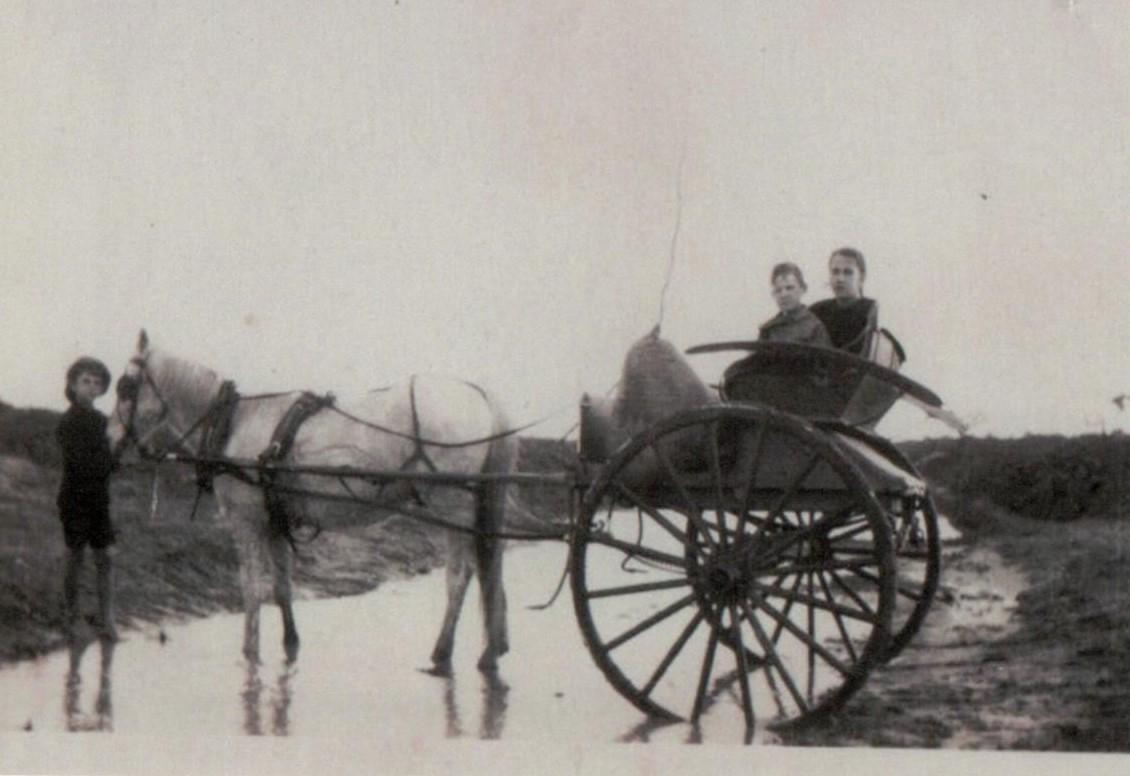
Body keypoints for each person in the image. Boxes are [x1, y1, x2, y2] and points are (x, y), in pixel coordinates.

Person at [56, 356, 118, 641]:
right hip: (74, 498)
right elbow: (80, 463)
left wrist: (114, 454)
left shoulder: (103, 421)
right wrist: (108, 458)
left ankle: (106, 620)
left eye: (97, 383)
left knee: (105, 557)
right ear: (73, 384)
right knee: (76, 555)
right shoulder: (68, 422)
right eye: (86, 381)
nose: (92, 388)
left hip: (98, 499)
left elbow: (110, 461)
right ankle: (73, 617)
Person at [809, 247, 878, 356]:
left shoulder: (869, 311)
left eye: (848, 272)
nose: (840, 279)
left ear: (862, 278)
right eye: (835, 272)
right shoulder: (817, 311)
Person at [757, 262, 832, 347]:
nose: (784, 295)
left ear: (803, 289)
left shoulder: (814, 328)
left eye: (789, 288)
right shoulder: (768, 329)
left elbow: (825, 359)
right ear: (773, 294)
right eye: (778, 290)